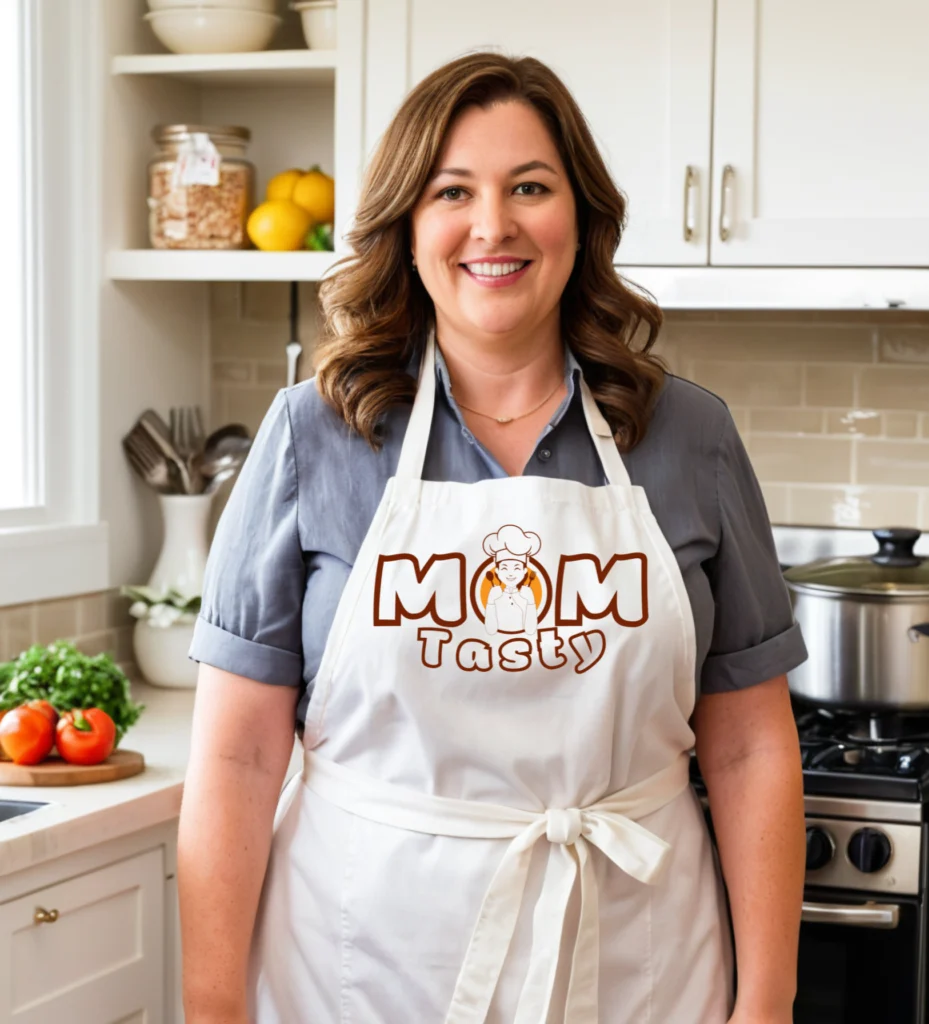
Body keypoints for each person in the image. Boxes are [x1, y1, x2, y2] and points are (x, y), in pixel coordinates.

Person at [178, 51, 807, 1024]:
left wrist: (767, 1002)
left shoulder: (690, 438)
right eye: (452, 191)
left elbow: (751, 749)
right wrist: (212, 1005)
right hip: (360, 971)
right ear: (407, 225)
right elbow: (235, 759)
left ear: (581, 217)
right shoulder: (313, 437)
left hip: (637, 965)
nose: (493, 225)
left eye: (529, 187)